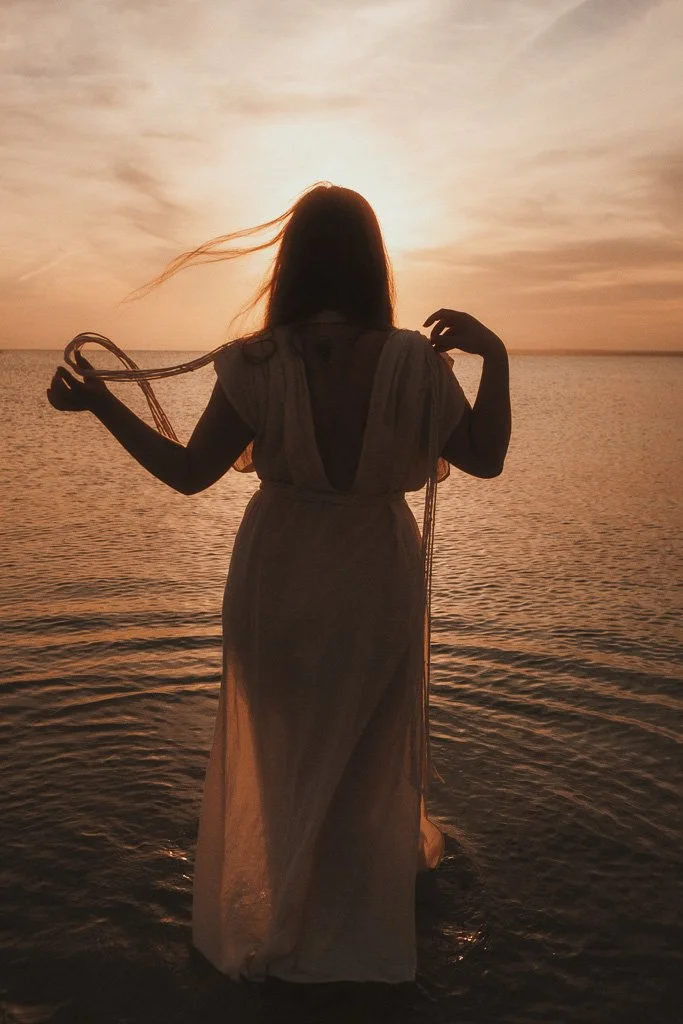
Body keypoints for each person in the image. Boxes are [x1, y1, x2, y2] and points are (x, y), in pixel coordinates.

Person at [46, 182, 511, 985]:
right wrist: (495, 355)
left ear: (290, 265)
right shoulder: (413, 360)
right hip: (375, 574)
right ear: (372, 263)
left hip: (279, 574)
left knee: (283, 749)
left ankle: (282, 914)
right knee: (365, 751)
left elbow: (190, 474)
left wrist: (99, 406)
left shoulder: (255, 362)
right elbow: (485, 457)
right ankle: (354, 927)